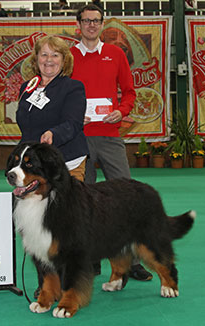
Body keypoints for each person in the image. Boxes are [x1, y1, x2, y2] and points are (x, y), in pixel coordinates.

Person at [70, 4, 153, 281]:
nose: (91, 25)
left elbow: (129, 93)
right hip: (78, 139)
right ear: (78, 24)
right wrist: (71, 117)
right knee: (84, 203)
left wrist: (123, 111)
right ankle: (90, 260)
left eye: (96, 20)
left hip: (109, 136)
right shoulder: (67, 56)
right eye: (86, 20)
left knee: (126, 198)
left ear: (102, 24)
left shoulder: (116, 54)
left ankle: (132, 262)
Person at [16, 35, 89, 297]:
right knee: (36, 228)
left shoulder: (73, 87)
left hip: (66, 163)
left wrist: (52, 134)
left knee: (66, 229)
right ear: (36, 59)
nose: (49, 60)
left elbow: (73, 123)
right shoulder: (27, 87)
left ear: (64, 60)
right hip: (35, 171)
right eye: (44, 54)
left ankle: (70, 285)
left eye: (55, 55)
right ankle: (46, 284)